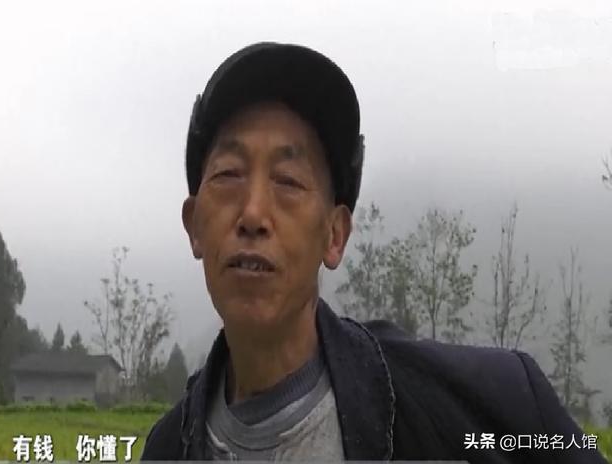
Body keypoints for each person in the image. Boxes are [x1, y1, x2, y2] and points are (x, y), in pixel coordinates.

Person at [141, 42, 606, 463]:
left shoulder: (492, 405)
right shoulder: (165, 450)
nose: (254, 213)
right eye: (228, 174)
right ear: (194, 225)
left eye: (288, 181)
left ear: (334, 235)